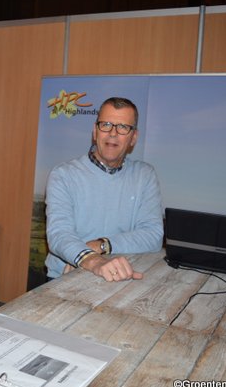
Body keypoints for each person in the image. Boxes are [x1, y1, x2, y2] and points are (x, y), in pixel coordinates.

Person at [44, 96, 163, 282]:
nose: (112, 133)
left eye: (123, 127)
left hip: (121, 276)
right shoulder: (63, 175)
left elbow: (153, 236)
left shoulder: (145, 175)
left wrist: (102, 245)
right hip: (66, 278)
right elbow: (59, 234)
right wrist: (90, 260)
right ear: (95, 131)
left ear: (133, 137)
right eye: (105, 125)